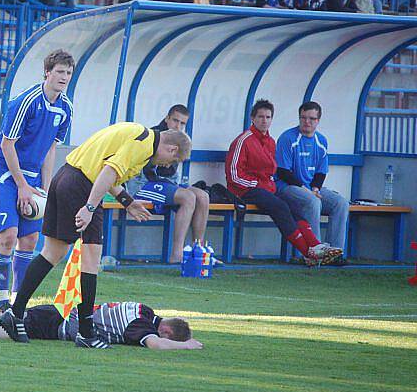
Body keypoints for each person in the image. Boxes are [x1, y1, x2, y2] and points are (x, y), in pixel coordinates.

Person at [0, 122, 192, 347]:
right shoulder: (144, 144)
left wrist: (127, 201)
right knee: (90, 259)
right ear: (172, 150)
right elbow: (108, 173)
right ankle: (86, 332)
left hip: (64, 177)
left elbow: (104, 171)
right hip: (82, 186)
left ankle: (15, 312)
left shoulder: (137, 131)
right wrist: (89, 207)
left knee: (53, 252)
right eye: (173, 161)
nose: (169, 165)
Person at [0, 50, 74, 315]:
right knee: (8, 236)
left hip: (34, 178)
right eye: (60, 71)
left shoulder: (66, 108)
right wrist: (22, 185)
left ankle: (16, 301)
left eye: (68, 73)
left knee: (30, 239)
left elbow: (50, 149)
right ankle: (1, 300)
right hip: (6, 173)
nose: (64, 77)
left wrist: (46, 189)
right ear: (47, 72)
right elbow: (6, 144)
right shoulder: (26, 102)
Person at [225, 99, 343, 267]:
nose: (264, 120)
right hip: (245, 190)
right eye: (260, 116)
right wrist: (258, 184)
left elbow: (272, 172)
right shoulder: (244, 140)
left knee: (291, 208)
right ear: (252, 118)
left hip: (265, 189)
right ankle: (308, 252)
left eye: (268, 117)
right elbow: (233, 175)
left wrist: (268, 184)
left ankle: (316, 246)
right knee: (280, 207)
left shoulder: (271, 142)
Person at [0, 302, 204, 350]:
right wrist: (186, 346)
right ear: (166, 330)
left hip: (52, 314)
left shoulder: (143, 308)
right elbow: (155, 345)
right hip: (48, 323)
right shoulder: (141, 326)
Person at [134, 106, 210, 263]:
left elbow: (171, 174)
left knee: (203, 196)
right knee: (188, 197)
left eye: (182, 123)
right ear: (167, 118)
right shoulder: (154, 135)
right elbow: (147, 171)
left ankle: (198, 251)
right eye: (175, 120)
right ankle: (177, 255)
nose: (178, 126)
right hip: (144, 184)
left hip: (165, 184)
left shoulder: (181, 140)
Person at [275, 101, 349, 260]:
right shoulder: (287, 138)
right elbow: (282, 172)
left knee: (340, 203)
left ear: (318, 120)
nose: (307, 122)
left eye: (311, 118)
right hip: (287, 188)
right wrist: (307, 190)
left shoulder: (321, 140)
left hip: (309, 188)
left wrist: (315, 188)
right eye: (303, 118)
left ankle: (335, 253)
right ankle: (315, 253)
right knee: (312, 201)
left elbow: (321, 171)